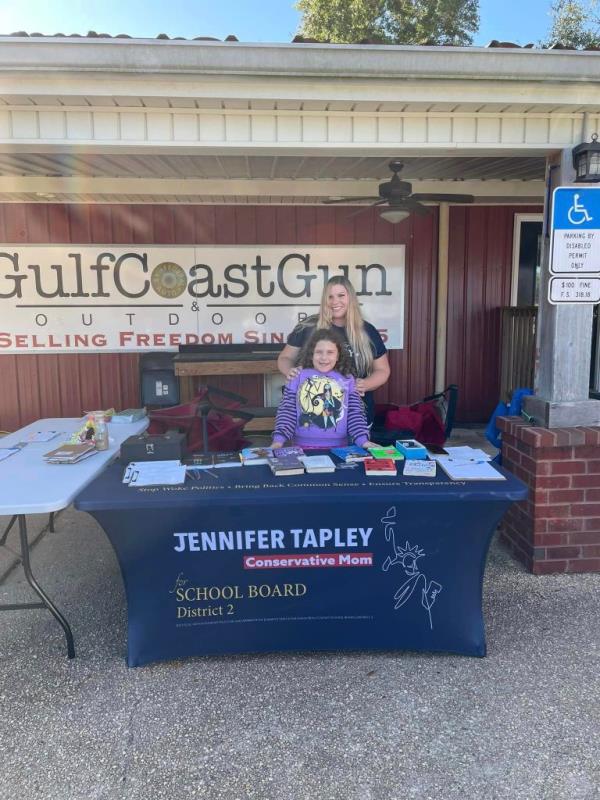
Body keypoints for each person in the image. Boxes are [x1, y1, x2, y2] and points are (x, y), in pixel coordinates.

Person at [277, 276, 390, 424]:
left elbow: (383, 370)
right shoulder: (307, 326)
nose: (335, 301)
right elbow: (285, 358)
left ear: (351, 298)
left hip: (356, 416)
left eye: (341, 295)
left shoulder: (367, 331)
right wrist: (290, 371)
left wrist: (365, 384)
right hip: (310, 415)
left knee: (354, 447)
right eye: (330, 297)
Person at [271, 328, 377, 450]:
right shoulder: (297, 376)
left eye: (330, 352)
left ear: (338, 356)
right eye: (319, 352)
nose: (324, 357)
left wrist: (363, 441)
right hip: (301, 447)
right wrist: (278, 440)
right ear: (311, 355)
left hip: (339, 448)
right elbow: (287, 411)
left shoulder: (348, 380)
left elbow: (355, 414)